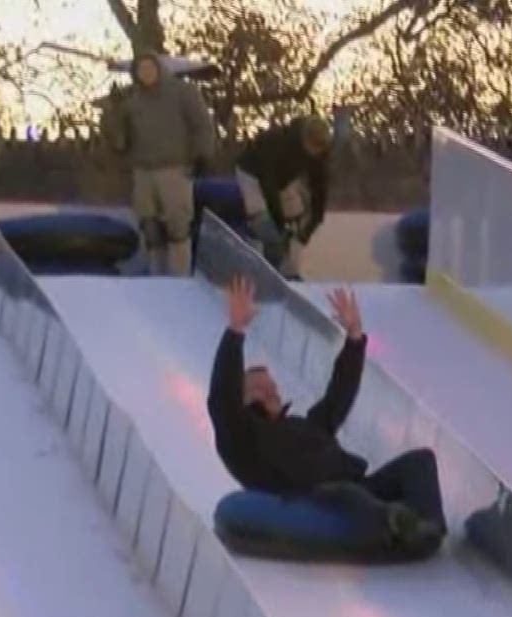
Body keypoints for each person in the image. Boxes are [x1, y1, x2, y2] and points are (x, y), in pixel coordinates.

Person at [207, 276, 445, 553]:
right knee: (346, 494)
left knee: (420, 461)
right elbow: (222, 397)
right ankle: (394, 523)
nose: (270, 390)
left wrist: (354, 339)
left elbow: (338, 397)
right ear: (242, 398)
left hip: (361, 485)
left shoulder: (304, 425)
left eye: (272, 386)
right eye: (259, 388)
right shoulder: (242, 439)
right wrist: (235, 331)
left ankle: (428, 527)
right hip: (320, 497)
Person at [102, 53, 215, 276]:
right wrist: (112, 113)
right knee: (150, 226)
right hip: (143, 171)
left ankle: (180, 277)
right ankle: (157, 276)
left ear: (159, 69)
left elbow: (202, 125)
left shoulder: (183, 93)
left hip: (175, 167)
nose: (146, 73)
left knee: (178, 226)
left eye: (150, 68)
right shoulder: (132, 102)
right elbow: (119, 140)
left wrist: (202, 155)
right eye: (141, 69)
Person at [235, 116, 331, 280]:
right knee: (265, 224)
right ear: (304, 139)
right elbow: (268, 184)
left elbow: (320, 189)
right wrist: (278, 224)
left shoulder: (320, 153)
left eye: (319, 150)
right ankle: (263, 256)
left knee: (296, 219)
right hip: (252, 174)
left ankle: (289, 271)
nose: (314, 153)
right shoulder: (277, 141)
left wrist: (309, 228)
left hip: (283, 180)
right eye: (312, 148)